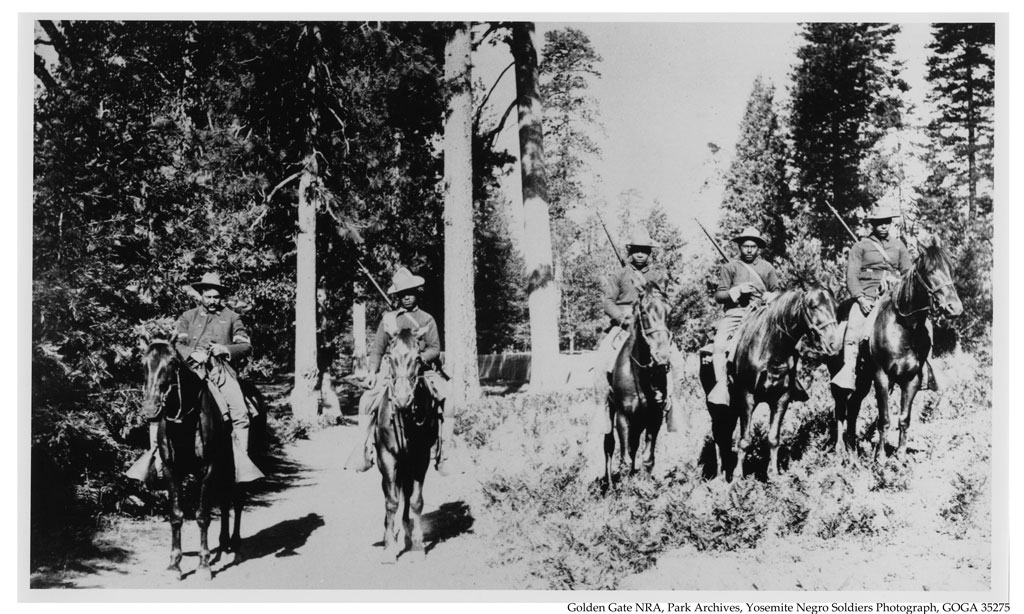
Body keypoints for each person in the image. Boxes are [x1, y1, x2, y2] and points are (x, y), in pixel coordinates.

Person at [347, 267, 449, 473]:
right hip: (392, 370)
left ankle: (445, 452)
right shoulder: (389, 320)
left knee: (449, 399)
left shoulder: (427, 319)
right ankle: (363, 449)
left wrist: (418, 359)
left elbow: (435, 348)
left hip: (421, 370)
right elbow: (377, 349)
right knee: (366, 400)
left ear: (417, 293)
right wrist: (372, 372)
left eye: (410, 293)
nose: (406, 298)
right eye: (402, 294)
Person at [173, 272, 264, 482]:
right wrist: (190, 353)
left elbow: (245, 345)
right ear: (200, 295)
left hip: (219, 370)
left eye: (216, 297)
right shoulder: (188, 317)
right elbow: (178, 343)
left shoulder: (232, 317)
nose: (213, 301)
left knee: (240, 412)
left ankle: (242, 463)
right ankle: (158, 460)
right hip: (192, 369)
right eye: (209, 297)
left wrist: (225, 349)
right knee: (164, 405)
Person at [597, 228, 683, 429]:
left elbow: (663, 300)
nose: (640, 254)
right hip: (624, 323)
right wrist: (621, 317)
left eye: (644, 250)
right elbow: (608, 301)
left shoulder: (658, 276)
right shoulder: (619, 274)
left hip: (650, 323)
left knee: (677, 361)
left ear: (649, 252)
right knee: (602, 360)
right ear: (630, 251)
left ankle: (673, 403)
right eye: (636, 250)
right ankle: (601, 405)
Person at [832, 206, 913, 391]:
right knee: (854, 327)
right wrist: (860, 298)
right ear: (873, 224)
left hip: (894, 297)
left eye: (887, 222)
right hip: (868, 296)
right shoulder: (860, 247)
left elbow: (908, 274)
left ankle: (925, 367)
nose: (884, 226)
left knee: (922, 326)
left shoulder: (899, 246)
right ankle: (849, 369)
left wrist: (897, 281)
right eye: (879, 223)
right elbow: (851, 276)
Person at [707, 226, 781, 406]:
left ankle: (790, 383)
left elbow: (777, 290)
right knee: (720, 344)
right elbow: (719, 296)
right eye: (745, 246)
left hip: (761, 313)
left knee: (785, 342)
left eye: (753, 247)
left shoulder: (767, 268)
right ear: (740, 247)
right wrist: (737, 290)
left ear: (758, 248)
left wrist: (771, 296)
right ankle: (721, 385)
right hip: (736, 313)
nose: (749, 250)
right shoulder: (730, 267)